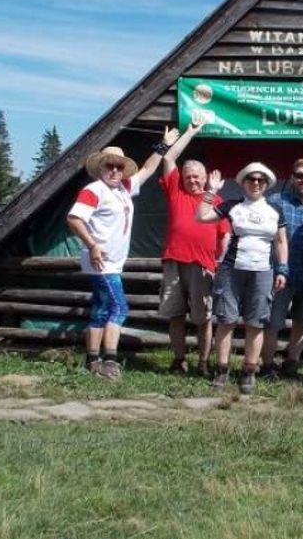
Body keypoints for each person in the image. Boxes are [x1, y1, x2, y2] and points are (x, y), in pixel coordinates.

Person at [67, 129, 176, 380]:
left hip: (112, 261)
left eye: (119, 166)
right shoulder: (94, 190)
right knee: (119, 308)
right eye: (110, 166)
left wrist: (164, 145)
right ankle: (110, 360)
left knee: (102, 308)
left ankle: (92, 359)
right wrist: (93, 244)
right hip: (101, 260)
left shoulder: (123, 188)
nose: (115, 170)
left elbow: (148, 169)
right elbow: (74, 219)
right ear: (100, 168)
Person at [198, 162, 288, 394]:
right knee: (226, 320)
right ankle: (222, 370)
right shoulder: (232, 206)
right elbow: (202, 217)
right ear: (244, 183)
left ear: (266, 184)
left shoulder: (275, 210)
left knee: (256, 322)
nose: (256, 183)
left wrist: (283, 269)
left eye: (260, 180)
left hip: (263, 271)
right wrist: (211, 191)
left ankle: (249, 372)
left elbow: (280, 242)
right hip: (231, 270)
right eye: (251, 179)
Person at [158, 116, 230, 377]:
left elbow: (225, 235)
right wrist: (191, 131)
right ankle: (179, 360)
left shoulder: (216, 199)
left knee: (203, 318)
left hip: (204, 266)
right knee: (175, 315)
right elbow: (167, 159)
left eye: (197, 177)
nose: (193, 181)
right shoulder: (175, 191)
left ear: (205, 177)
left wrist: (221, 263)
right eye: (188, 177)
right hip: (174, 261)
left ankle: (203, 362)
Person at [261, 157, 303, 379]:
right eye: (299, 175)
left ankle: (291, 362)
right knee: (272, 323)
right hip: (280, 274)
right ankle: (267, 365)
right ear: (292, 178)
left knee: (301, 322)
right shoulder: (275, 201)